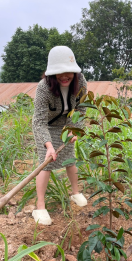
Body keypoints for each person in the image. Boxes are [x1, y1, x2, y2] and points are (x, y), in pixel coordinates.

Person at [32, 46, 87, 225]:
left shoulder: (81, 83)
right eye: (59, 72)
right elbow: (39, 121)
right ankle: (40, 207)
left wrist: (74, 128)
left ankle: (75, 193)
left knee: (70, 158)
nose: (64, 76)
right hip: (46, 127)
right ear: (52, 73)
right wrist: (48, 145)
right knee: (45, 163)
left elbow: (81, 108)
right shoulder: (44, 88)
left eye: (68, 72)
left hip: (66, 125)